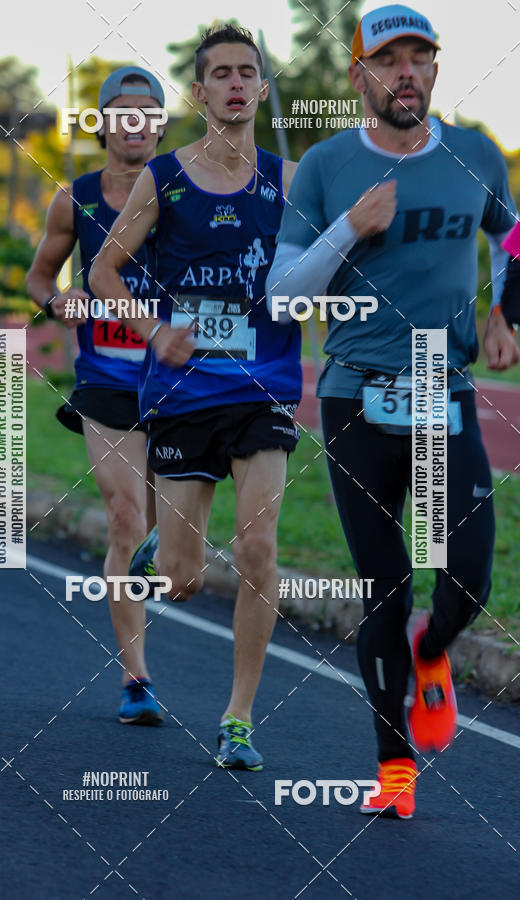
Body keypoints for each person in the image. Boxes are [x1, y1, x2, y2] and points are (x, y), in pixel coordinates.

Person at [267, 4, 519, 817]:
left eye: (419, 57)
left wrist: (506, 312)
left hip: (441, 391)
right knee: (386, 585)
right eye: (388, 59)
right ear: (359, 76)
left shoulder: (475, 155)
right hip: (356, 398)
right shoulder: (325, 165)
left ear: (436, 70)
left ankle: (434, 649)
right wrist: (349, 226)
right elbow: (281, 296)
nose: (405, 71)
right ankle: (394, 767)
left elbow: (513, 240)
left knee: (466, 577)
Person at [90, 24, 301, 770]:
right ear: (200, 91)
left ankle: (238, 717)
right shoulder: (165, 179)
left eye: (248, 72)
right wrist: (154, 331)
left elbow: (327, 266)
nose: (236, 83)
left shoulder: (290, 180)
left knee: (258, 547)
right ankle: (161, 549)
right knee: (182, 580)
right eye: (222, 73)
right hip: (183, 392)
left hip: (264, 389)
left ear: (262, 88)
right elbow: (103, 273)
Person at [26, 67, 166, 726]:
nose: (135, 123)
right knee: (124, 518)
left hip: (178, 379)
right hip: (106, 379)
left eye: (147, 112)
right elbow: (39, 275)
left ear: (160, 125)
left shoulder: (185, 190)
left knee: (168, 542)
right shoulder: (75, 200)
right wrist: (57, 300)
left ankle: (162, 560)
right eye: (123, 112)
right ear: (104, 123)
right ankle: (136, 679)